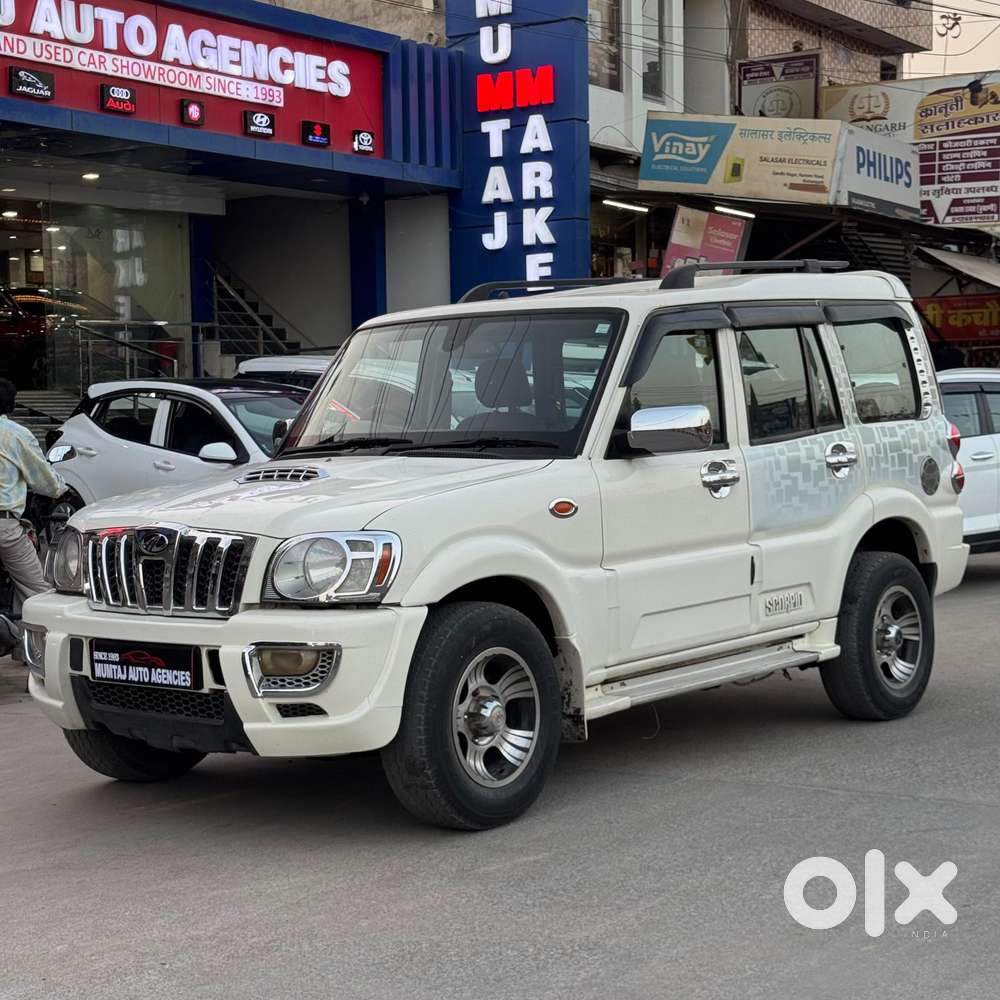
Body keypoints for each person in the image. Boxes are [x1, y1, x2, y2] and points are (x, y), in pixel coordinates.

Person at [0, 378, 66, 651]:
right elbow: (45, 480)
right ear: (12, 404)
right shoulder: (15, 434)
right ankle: (35, 653)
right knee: (36, 592)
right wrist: (60, 489)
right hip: (4, 527)